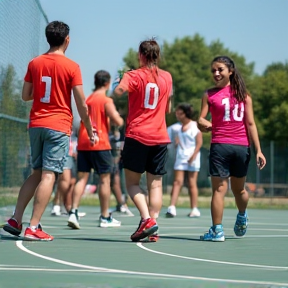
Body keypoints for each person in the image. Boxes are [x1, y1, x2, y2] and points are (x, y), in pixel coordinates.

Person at [3, 21, 95, 241]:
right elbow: (81, 103)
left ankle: (16, 219)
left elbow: (25, 95)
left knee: (36, 174)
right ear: (67, 40)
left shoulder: (35, 62)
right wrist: (90, 129)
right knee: (48, 175)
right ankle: (33, 227)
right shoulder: (72, 66)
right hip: (58, 125)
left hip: (36, 124)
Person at [197, 55, 266, 242]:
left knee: (238, 190)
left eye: (220, 69)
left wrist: (259, 150)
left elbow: (250, 123)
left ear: (231, 71)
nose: (216, 73)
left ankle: (241, 215)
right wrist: (204, 123)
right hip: (221, 145)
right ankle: (218, 230)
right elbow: (201, 119)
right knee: (221, 190)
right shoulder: (208, 94)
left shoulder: (244, 95)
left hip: (238, 146)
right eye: (213, 70)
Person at [113, 38, 173, 242]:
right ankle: (153, 226)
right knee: (155, 185)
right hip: (160, 136)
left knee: (131, 184)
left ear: (141, 55)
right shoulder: (167, 77)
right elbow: (168, 109)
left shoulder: (133, 75)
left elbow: (117, 92)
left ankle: (147, 219)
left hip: (137, 134)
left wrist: (120, 79)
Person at [68, 70, 124, 229]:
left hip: (84, 142)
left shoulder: (89, 98)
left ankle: (73, 211)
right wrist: (119, 117)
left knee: (81, 179)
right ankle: (105, 217)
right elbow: (117, 120)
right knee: (104, 180)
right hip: (100, 144)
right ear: (107, 83)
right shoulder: (106, 100)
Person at [166, 103, 202, 218]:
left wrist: (193, 156)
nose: (177, 115)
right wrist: (177, 144)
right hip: (181, 157)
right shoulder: (178, 127)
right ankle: (172, 207)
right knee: (177, 182)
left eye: (180, 113)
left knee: (191, 183)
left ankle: (194, 209)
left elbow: (199, 143)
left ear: (186, 114)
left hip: (193, 157)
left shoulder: (195, 126)